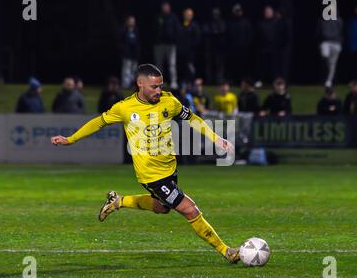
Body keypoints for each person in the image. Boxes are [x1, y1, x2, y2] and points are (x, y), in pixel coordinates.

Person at [50, 64, 241, 263]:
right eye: (153, 87)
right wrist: (71, 139)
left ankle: (118, 201)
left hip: (169, 168)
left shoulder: (169, 101)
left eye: (160, 86)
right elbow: (98, 122)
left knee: (162, 207)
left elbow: (192, 118)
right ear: (139, 84)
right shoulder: (124, 108)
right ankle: (226, 251)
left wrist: (216, 138)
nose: (158, 91)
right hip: (151, 176)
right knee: (190, 209)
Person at [153, 1, 180, 89]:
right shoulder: (158, 17)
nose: (165, 8)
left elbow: (177, 30)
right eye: (164, 7)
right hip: (159, 44)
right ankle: (160, 82)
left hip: (170, 45)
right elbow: (153, 29)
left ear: (169, 8)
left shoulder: (173, 18)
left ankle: (173, 82)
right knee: (159, 64)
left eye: (167, 7)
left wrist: (174, 40)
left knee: (172, 64)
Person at [226, 4, 252, 84]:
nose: (238, 13)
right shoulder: (230, 22)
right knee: (233, 66)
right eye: (236, 11)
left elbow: (249, 35)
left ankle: (242, 81)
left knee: (243, 66)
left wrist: (246, 45)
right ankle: (233, 80)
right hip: (232, 49)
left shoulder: (246, 22)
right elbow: (227, 36)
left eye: (239, 11)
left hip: (243, 49)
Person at [316, 10, 344, 88]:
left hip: (336, 43)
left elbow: (341, 32)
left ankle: (329, 81)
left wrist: (340, 43)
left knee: (332, 65)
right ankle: (327, 78)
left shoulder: (339, 20)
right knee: (325, 56)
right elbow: (319, 32)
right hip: (326, 42)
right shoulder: (322, 20)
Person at [255, 6, 280, 86]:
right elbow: (257, 36)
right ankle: (260, 81)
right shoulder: (260, 23)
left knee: (274, 67)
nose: (267, 13)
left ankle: (275, 82)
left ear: (272, 13)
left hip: (274, 49)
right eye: (266, 12)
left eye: (269, 12)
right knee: (262, 66)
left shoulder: (276, 23)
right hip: (263, 48)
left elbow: (280, 36)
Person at [177, 8, 201, 88]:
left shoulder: (194, 25)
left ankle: (191, 83)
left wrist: (191, 46)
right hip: (180, 52)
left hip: (190, 52)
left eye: (190, 15)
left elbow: (197, 38)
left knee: (190, 68)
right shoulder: (180, 24)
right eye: (187, 14)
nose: (188, 16)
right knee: (181, 68)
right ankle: (181, 84)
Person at [202, 7, 226, 84]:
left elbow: (222, 32)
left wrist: (215, 33)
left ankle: (219, 80)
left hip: (219, 49)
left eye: (217, 14)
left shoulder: (221, 23)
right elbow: (206, 32)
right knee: (209, 65)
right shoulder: (208, 23)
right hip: (209, 48)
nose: (215, 15)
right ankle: (210, 80)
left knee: (219, 66)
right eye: (214, 14)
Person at [119, 15, 141, 89]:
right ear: (127, 22)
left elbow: (138, 43)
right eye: (130, 21)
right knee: (126, 70)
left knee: (134, 70)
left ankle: (132, 84)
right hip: (126, 54)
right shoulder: (124, 30)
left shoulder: (136, 30)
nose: (132, 22)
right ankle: (125, 84)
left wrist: (137, 53)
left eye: (133, 21)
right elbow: (121, 41)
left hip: (134, 54)